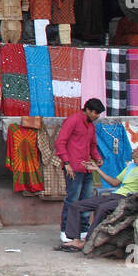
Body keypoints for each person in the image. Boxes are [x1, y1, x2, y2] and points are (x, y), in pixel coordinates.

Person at [59, 144, 138, 251]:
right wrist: (97, 169)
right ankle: (75, 239)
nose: (134, 150)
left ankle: (87, 241)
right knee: (76, 205)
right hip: (116, 194)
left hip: (129, 198)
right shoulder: (130, 167)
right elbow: (115, 182)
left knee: (102, 208)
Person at [55, 98, 104, 244]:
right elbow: (60, 142)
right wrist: (67, 163)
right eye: (95, 113)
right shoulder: (73, 120)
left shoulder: (91, 126)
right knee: (72, 200)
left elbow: (93, 145)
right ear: (88, 110)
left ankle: (83, 230)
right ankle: (66, 230)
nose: (97, 116)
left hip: (87, 168)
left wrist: (97, 158)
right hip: (74, 168)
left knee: (87, 201)